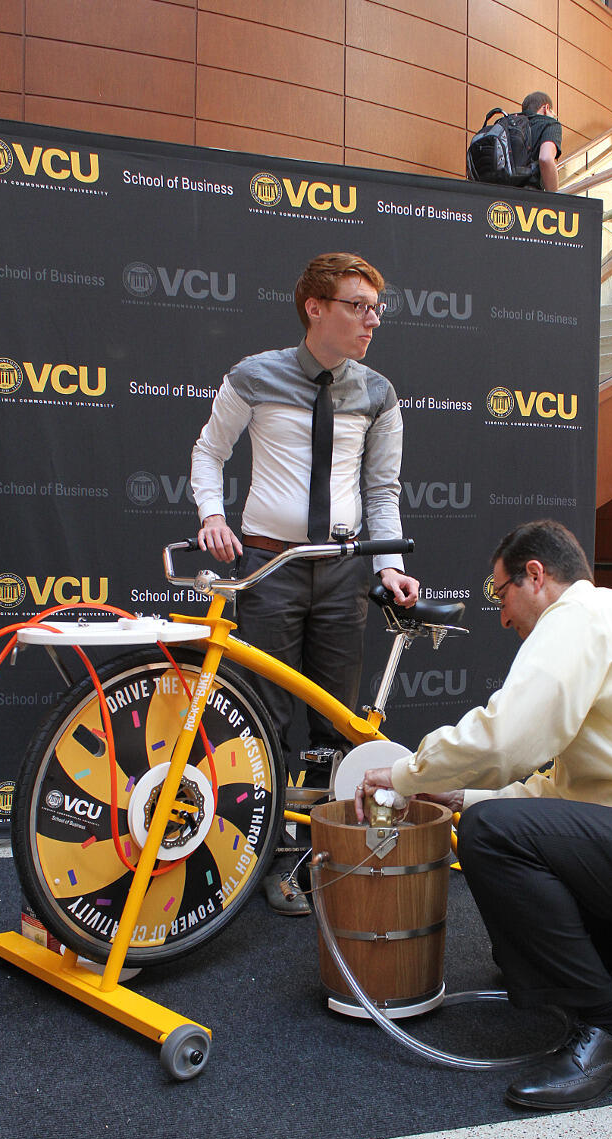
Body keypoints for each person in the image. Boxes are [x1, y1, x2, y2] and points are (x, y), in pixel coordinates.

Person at [356, 520, 612, 1112]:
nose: (501, 618)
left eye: (501, 596)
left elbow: (506, 742)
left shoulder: (575, 617)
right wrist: (460, 797)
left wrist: (406, 775)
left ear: (536, 575)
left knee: (490, 841)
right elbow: (569, 798)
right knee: (531, 940)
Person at [191, 251, 420, 914]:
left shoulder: (377, 392)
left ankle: (314, 861)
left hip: (343, 571)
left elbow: (382, 490)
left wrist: (388, 568)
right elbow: (209, 452)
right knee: (257, 720)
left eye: (375, 309)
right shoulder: (253, 376)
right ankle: (244, 859)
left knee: (335, 724)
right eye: (356, 306)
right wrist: (212, 515)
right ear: (313, 307)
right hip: (267, 569)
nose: (370, 320)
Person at [521, 91, 562, 192]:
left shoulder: (509, 125)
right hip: (530, 197)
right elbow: (545, 158)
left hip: (498, 196)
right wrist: (553, 200)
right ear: (546, 108)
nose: (553, 116)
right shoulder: (550, 124)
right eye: (553, 113)